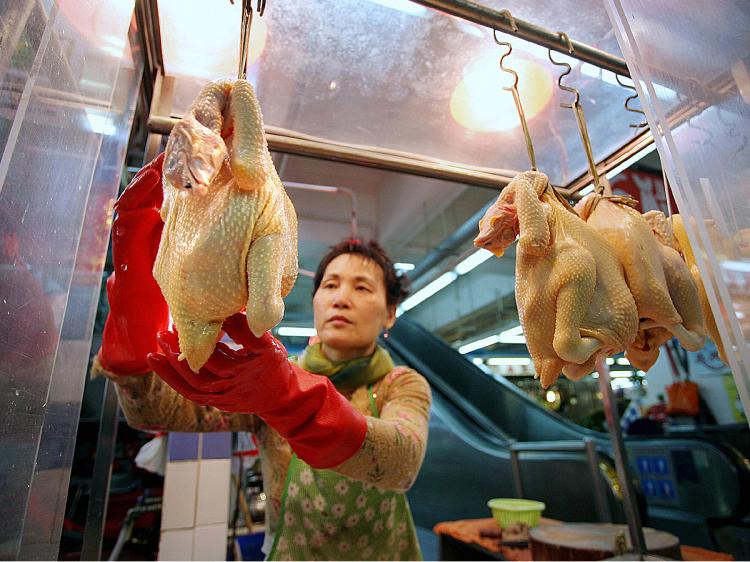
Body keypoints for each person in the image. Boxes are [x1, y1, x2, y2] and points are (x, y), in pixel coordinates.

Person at [92, 154, 432, 561]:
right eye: (330, 285)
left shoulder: (401, 383)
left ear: (389, 312)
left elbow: (401, 461)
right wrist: (134, 332)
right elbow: (162, 413)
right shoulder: (269, 378)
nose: (341, 298)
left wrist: (289, 398)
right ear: (316, 299)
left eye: (362, 288)